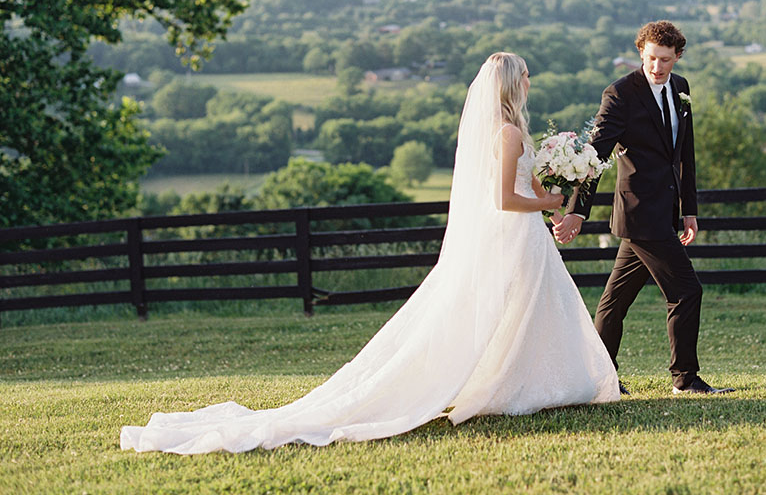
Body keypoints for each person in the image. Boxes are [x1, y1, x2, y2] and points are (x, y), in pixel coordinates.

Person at [120, 52, 619, 454]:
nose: (530, 82)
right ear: (513, 83)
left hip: (529, 235)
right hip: (510, 233)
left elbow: (528, 183)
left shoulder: (519, 131)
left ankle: (530, 382)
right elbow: (504, 199)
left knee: (530, 310)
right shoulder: (506, 133)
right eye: (525, 76)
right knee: (502, 309)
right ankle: (505, 387)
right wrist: (551, 202)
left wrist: (557, 208)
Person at [553, 21, 732, 396]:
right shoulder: (620, 94)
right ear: (641, 53)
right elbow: (595, 156)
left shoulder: (681, 88)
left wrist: (689, 210)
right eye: (651, 58)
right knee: (686, 291)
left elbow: (685, 154)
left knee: (614, 301)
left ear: (677, 56)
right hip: (639, 212)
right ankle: (685, 379)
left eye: (665, 60)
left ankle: (600, 379)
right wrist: (576, 211)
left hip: (664, 211)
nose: (657, 67)